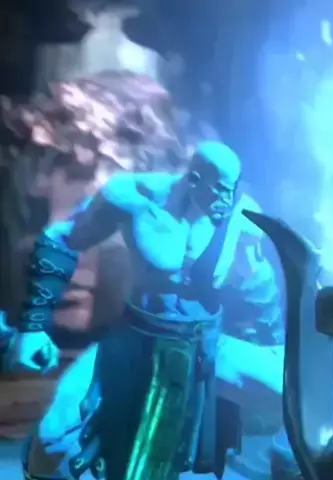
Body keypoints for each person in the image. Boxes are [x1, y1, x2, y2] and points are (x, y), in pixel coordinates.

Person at [10, 141, 293, 480]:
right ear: (194, 180)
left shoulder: (241, 219)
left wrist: (274, 343)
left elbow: (258, 287)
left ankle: (285, 464)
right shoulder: (133, 197)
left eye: (230, 191)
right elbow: (63, 237)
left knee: (292, 394)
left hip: (204, 347)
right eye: (218, 190)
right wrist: (33, 326)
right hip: (133, 345)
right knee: (51, 439)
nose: (225, 200)